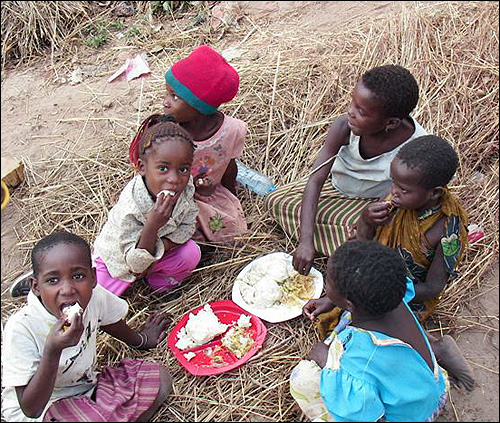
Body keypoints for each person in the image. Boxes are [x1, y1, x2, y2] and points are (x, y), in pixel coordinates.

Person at [265, 64, 427, 275]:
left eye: (362, 111)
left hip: (377, 205)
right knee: (276, 200)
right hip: (336, 189)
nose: (351, 112)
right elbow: (315, 181)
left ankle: (359, 249)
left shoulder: (415, 147)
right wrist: (306, 241)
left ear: (391, 123)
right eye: (353, 103)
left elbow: (413, 198)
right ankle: (353, 251)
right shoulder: (344, 127)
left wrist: (369, 221)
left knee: (382, 233)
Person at [1, 231, 172, 422]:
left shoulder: (93, 296)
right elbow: (30, 408)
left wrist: (142, 340)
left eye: (78, 276)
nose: (67, 290)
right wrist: (53, 350)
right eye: (53, 280)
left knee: (159, 378)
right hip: (45, 409)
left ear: (93, 278)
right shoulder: (22, 327)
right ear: (36, 287)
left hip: (87, 389)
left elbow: (110, 321)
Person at [290, 240, 449, 422]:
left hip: (411, 418)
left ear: (349, 302)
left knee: (301, 378)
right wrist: (331, 300)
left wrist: (326, 361)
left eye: (328, 282)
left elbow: (360, 408)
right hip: (434, 390)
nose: (326, 286)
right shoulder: (391, 293)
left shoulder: (362, 353)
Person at [130, 45, 248, 243]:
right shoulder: (165, 133)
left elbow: (229, 167)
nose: (165, 103)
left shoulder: (232, 131)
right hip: (169, 196)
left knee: (229, 227)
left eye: (175, 97)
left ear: (200, 107)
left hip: (207, 197)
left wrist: (231, 196)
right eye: (167, 94)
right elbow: (147, 174)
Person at [356, 135, 469, 321]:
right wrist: (366, 220)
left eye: (403, 189)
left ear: (435, 193)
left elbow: (433, 288)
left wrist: (386, 292)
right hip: (375, 277)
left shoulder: (448, 232)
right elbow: (362, 245)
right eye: (393, 182)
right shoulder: (393, 202)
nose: (393, 191)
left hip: (409, 297)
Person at [94, 116, 201, 296]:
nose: (174, 179)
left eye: (183, 169)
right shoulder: (133, 205)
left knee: (191, 254)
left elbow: (189, 225)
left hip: (156, 252)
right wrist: (153, 225)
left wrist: (160, 250)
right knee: (99, 299)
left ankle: (159, 285)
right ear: (142, 167)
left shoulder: (186, 186)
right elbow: (134, 265)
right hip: (120, 261)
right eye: (163, 169)